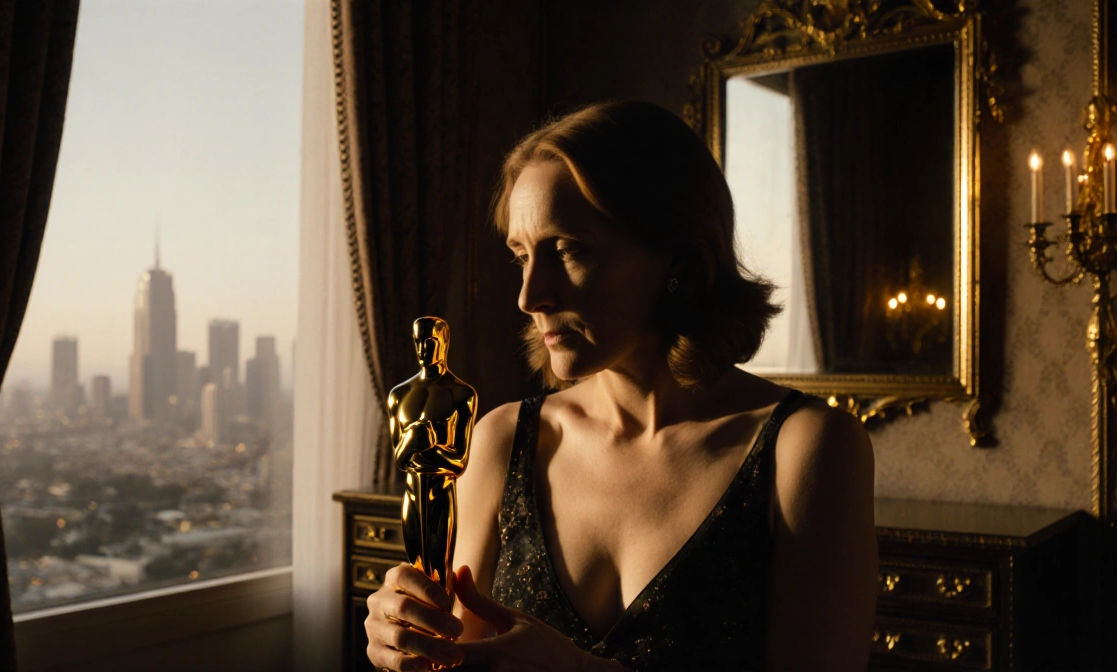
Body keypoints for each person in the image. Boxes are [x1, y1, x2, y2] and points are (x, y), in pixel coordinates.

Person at [364, 100, 878, 671]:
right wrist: (406, 638)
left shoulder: (806, 448)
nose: (530, 296)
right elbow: (456, 656)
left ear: (677, 257)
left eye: (568, 250)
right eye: (521, 256)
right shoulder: (503, 440)